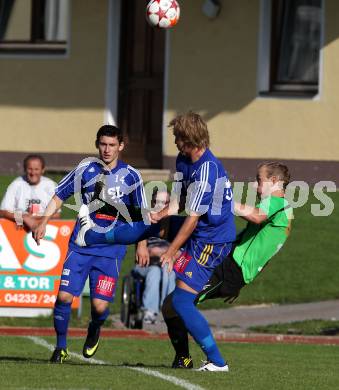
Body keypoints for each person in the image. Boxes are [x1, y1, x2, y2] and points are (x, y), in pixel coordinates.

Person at [74, 112, 236, 371]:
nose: (173, 141)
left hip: (212, 242)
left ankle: (218, 362)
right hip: (199, 231)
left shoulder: (207, 170)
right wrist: (162, 214)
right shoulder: (185, 160)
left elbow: (193, 219)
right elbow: (182, 198)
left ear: (188, 139)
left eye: (176, 137)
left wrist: (171, 252)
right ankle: (90, 236)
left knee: (180, 302)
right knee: (168, 301)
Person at [33, 125, 147, 363]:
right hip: (81, 245)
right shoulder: (85, 169)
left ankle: (95, 327)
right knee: (64, 297)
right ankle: (60, 347)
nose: (107, 149)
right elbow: (60, 195)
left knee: (99, 307)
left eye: (112, 145)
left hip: (111, 250)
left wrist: (142, 245)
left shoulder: (132, 176)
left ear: (121, 146)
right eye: (103, 144)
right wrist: (43, 221)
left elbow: (142, 215)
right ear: (97, 144)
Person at [163, 162, 293, 369]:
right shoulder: (284, 212)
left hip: (231, 269)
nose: (254, 186)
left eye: (259, 180)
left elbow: (255, 215)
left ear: (275, 182)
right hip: (230, 265)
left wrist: (225, 199)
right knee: (171, 305)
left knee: (179, 303)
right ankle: (183, 359)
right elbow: (263, 251)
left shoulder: (278, 203)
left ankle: (217, 362)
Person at [133, 190, 176, 324]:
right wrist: (161, 251)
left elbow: (179, 250)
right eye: (157, 202)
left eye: (164, 203)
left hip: (166, 264)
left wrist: (166, 252)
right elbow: (144, 250)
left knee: (168, 271)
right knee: (155, 272)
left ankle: (168, 311)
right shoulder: (144, 221)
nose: (160, 206)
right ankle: (150, 311)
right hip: (146, 265)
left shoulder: (174, 224)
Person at [0, 154, 60, 230]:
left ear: (43, 170)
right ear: (25, 169)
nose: (33, 173)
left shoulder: (51, 185)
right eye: (30, 169)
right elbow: (2, 211)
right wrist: (23, 217)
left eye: (36, 169)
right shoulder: (15, 184)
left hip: (46, 230)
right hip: (18, 231)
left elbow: (57, 215)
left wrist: (34, 219)